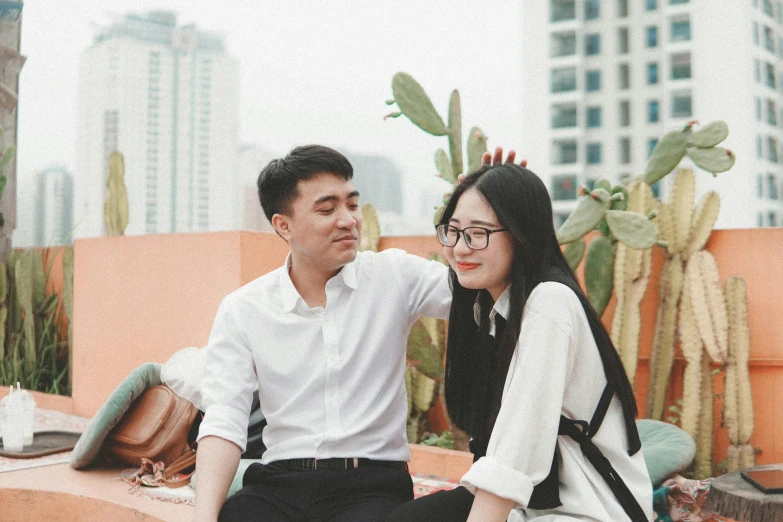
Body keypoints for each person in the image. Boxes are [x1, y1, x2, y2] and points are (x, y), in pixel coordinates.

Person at [192, 144, 452, 522]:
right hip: (278, 485)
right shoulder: (244, 309)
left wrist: (488, 211)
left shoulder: (395, 275)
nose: (347, 220)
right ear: (283, 225)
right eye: (327, 209)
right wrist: (204, 516)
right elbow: (224, 419)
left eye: (352, 204)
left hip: (372, 486)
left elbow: (481, 291)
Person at [387, 163, 654, 522]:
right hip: (533, 505)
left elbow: (515, 456)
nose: (460, 249)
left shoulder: (549, 303)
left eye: (478, 233)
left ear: (521, 233)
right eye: (453, 231)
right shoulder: (489, 310)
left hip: (589, 509)